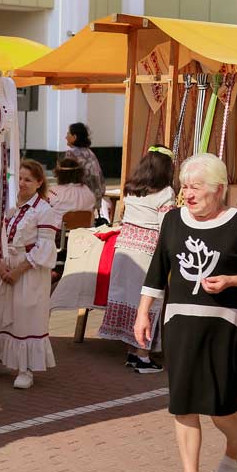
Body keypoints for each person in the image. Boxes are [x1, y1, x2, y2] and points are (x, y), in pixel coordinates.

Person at [136, 154, 237, 472]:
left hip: (223, 326)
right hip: (179, 321)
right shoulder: (172, 221)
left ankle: (236, 449)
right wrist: (143, 312)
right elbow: (157, 270)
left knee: (220, 406)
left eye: (196, 188)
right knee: (182, 403)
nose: (188, 195)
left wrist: (230, 280)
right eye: (185, 187)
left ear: (219, 189)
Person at [0, 159, 58, 389]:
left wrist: (17, 271)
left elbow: (44, 246)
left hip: (29, 270)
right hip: (4, 266)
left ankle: (25, 368)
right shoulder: (8, 206)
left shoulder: (44, 211)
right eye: (20, 179)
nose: (23, 184)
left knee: (25, 315)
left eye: (28, 179)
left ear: (39, 182)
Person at [98, 146, 174, 373]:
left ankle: (131, 352)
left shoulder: (131, 188)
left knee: (127, 298)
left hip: (124, 249)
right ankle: (143, 355)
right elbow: (166, 226)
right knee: (148, 301)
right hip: (148, 252)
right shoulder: (166, 192)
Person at [64, 122, 106, 211]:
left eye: (68, 134)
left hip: (80, 198)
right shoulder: (90, 153)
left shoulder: (71, 153)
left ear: (74, 137)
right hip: (95, 197)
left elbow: (66, 178)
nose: (66, 137)